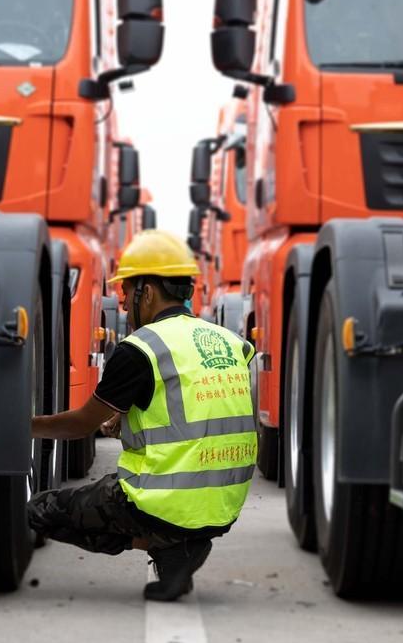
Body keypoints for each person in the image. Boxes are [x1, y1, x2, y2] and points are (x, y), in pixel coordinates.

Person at [28, 231, 257, 601]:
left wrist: (26, 426)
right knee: (107, 506)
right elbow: (194, 405)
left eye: (125, 291)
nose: (120, 302)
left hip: (163, 502)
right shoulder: (231, 342)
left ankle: (170, 543)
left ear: (146, 292)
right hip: (223, 504)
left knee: (43, 510)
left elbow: (82, 424)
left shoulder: (140, 349)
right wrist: (126, 417)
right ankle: (180, 542)